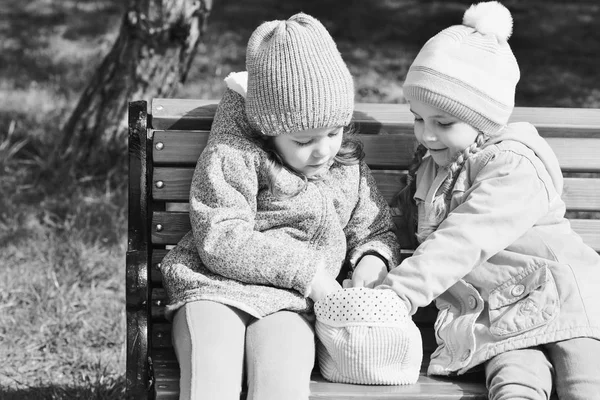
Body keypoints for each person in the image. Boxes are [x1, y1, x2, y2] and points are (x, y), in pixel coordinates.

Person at [159, 12, 400, 400]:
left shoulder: (347, 165)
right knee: (211, 378)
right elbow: (221, 236)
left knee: (281, 383)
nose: (323, 150)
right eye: (303, 140)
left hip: (290, 306)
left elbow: (374, 230)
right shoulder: (233, 153)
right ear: (268, 130)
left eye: (334, 132)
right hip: (213, 290)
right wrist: (307, 272)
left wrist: (370, 263)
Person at [371, 2, 600, 399]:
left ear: (485, 120)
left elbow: (466, 236)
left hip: (566, 299)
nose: (426, 135)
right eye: (418, 118)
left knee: (585, 382)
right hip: (501, 318)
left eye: (443, 123)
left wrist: (397, 294)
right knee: (513, 382)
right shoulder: (432, 167)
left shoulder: (513, 165)